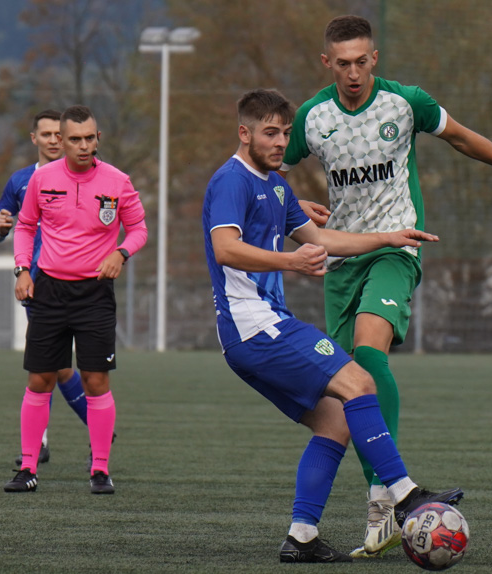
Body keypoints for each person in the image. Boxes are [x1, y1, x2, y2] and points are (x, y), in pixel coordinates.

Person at [280, 15, 492, 558]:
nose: (354, 72)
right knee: (343, 391)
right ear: (327, 64)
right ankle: (312, 525)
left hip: (397, 248)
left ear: (375, 58)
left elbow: (463, 138)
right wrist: (295, 210)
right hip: (341, 260)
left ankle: (385, 495)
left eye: (362, 61)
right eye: (343, 63)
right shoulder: (313, 117)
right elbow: (269, 169)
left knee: (366, 352)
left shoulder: (405, 103)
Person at [203, 88, 463, 563]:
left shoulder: (277, 186)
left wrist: (388, 236)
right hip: (255, 328)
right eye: (269, 132)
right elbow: (225, 249)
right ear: (244, 133)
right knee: (358, 381)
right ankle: (404, 495)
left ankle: (301, 536)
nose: (281, 142)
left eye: (285, 132)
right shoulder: (231, 181)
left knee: (335, 421)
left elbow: (321, 238)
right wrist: (291, 261)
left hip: (258, 332)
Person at [3, 105, 147, 495]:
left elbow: (138, 229)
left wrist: (120, 253)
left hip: (95, 294)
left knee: (96, 380)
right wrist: (23, 270)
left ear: (98, 138)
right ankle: (28, 467)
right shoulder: (42, 179)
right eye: (75, 139)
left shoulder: (118, 181)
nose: (84, 146)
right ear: (61, 142)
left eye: (90, 138)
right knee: (40, 378)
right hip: (49, 289)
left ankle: (100, 469)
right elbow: (25, 226)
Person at [0, 109, 88, 468]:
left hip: (83, 280)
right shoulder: (21, 181)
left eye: (57, 133)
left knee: (70, 366)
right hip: (38, 282)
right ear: (35, 139)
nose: (52, 139)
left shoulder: (86, 175)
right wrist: (0, 228)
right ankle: (42, 443)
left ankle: (95, 429)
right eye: (45, 134)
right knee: (49, 363)